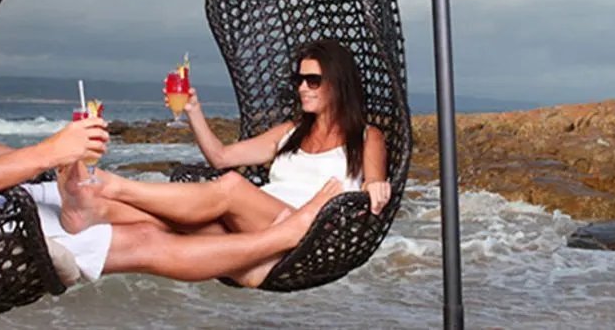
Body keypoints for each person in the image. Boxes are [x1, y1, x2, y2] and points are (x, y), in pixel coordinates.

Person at [0, 0, 343, 287]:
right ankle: (275, 244)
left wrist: (44, 161)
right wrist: (51, 150)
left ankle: (99, 198)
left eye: (314, 81)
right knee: (152, 234)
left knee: (141, 216)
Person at [89, 38, 392, 287]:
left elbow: (374, 184)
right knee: (153, 226)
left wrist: (376, 187)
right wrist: (194, 111)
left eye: (313, 80)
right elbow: (221, 157)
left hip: (307, 236)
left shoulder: (367, 137)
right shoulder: (288, 133)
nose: (302, 87)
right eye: (299, 79)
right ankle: (85, 214)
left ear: (338, 84)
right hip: (254, 227)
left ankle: (116, 187)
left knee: (232, 186)